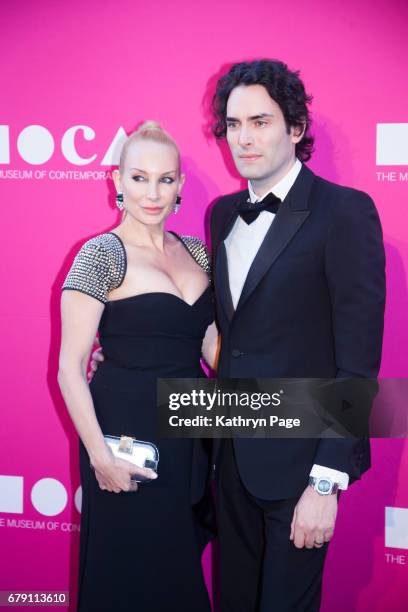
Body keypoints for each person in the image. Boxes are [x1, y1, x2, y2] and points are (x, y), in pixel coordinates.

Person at [210, 59, 386, 611]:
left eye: (260, 121)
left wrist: (327, 481)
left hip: (300, 469)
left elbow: (358, 366)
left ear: (295, 127)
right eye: (233, 124)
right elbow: (224, 332)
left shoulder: (345, 212)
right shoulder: (220, 215)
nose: (244, 138)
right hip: (228, 458)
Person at [58, 121, 218, 612]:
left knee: (180, 577)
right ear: (117, 181)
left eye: (166, 179)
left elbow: (215, 347)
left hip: (193, 433)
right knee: (131, 577)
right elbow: (70, 367)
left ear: (181, 187)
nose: (153, 193)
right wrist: (99, 458)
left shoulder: (195, 252)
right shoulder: (100, 254)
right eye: (140, 178)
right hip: (131, 442)